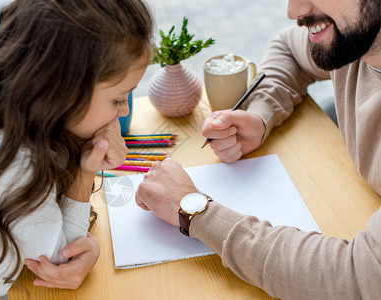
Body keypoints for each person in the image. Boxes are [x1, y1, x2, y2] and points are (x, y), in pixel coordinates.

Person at [135, 0, 381, 299]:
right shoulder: (355, 38)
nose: (293, 11)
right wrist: (261, 114)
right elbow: (289, 48)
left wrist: (195, 211)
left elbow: (357, 278)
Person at [0, 0, 152, 299]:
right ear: (65, 93)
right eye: (117, 99)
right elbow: (60, 259)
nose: (124, 110)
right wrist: (84, 171)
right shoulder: (18, 166)